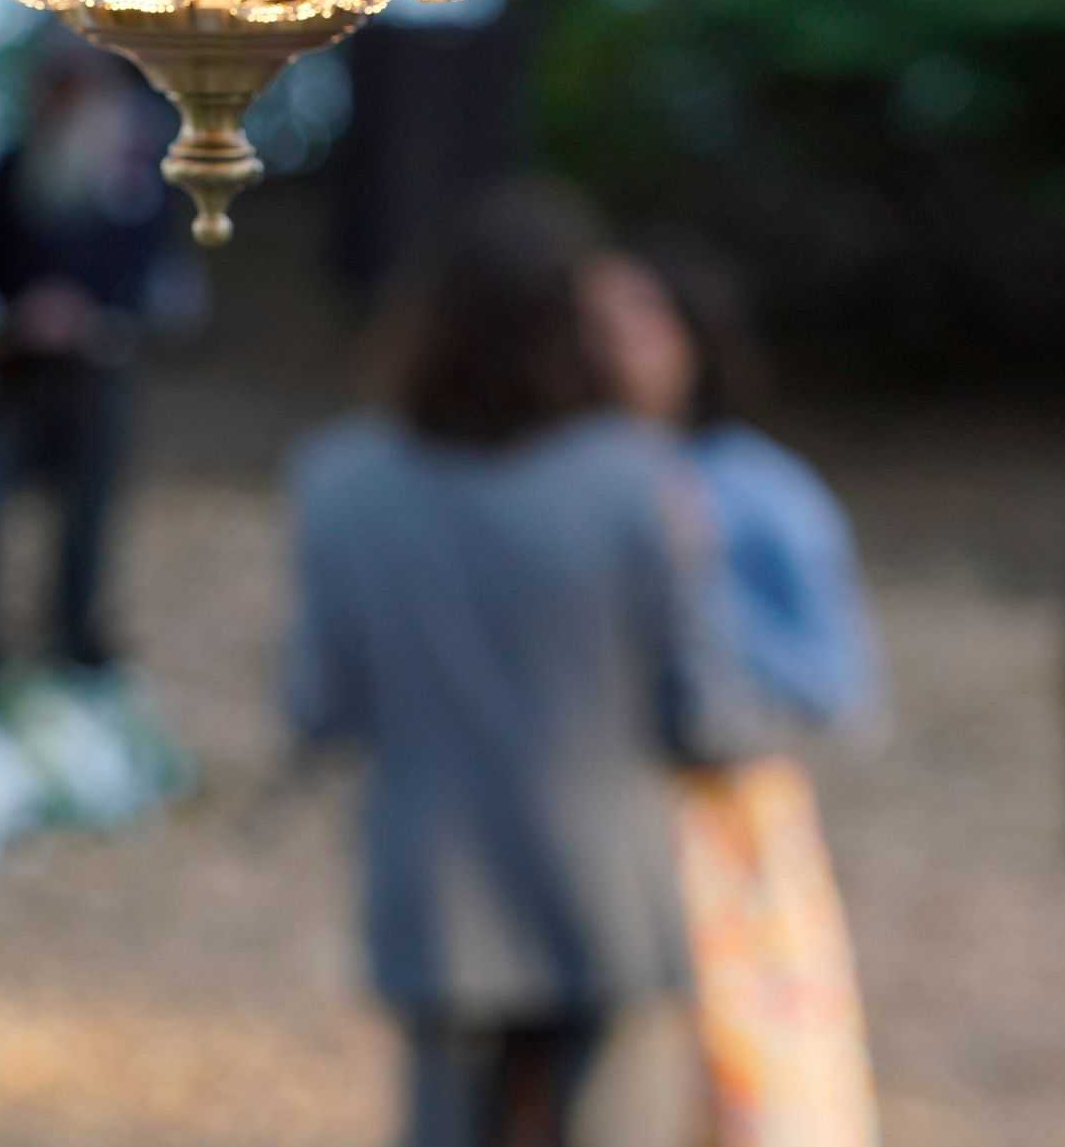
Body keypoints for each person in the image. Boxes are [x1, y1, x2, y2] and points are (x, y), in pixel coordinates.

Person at [283, 179, 753, 1147]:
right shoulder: (636, 484)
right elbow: (707, 715)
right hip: (604, 899)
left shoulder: (342, 485)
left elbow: (319, 707)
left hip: (436, 902)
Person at [597, 237, 882, 1147]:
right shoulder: (546, 488)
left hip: (722, 842)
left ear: (695, 340)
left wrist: (690, 587)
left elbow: (835, 686)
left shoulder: (760, 493)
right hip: (578, 836)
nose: (612, 347)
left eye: (641, 321)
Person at [0, 42, 179, 698]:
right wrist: (2, 310)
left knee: (85, 521)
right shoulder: (15, 168)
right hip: (13, 373)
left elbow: (149, 270)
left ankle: (74, 646)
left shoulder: (129, 175)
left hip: (94, 376)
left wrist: (88, 314)